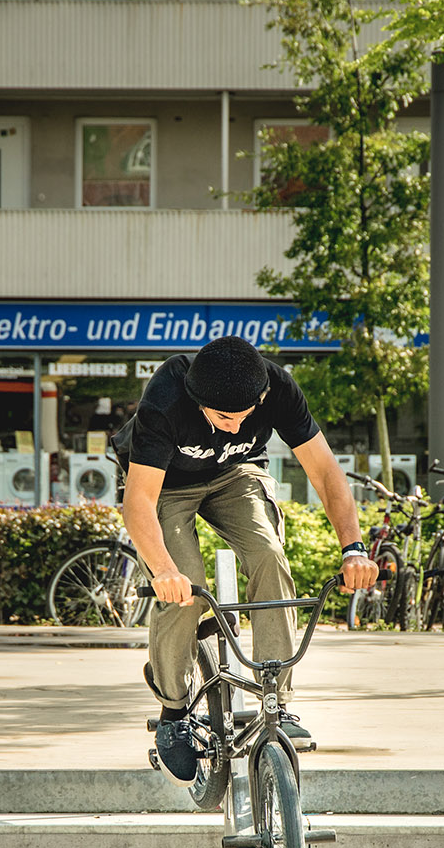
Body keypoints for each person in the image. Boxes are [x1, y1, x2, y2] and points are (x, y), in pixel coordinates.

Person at [117, 336, 378, 787]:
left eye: (245, 417)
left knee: (269, 556)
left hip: (234, 476)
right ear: (198, 402)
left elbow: (325, 472)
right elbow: (138, 500)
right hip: (167, 484)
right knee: (187, 588)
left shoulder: (277, 386)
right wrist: (163, 570)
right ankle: (173, 711)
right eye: (222, 418)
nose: (235, 429)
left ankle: (275, 698)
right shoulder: (167, 397)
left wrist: (353, 547)